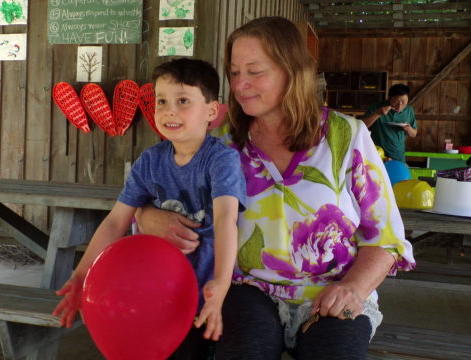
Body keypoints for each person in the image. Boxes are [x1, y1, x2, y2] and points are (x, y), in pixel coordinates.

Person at [136, 16, 416, 360]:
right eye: (235, 72)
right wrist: (147, 216)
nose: (240, 85)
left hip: (331, 291)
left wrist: (353, 289)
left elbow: (386, 238)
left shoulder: (347, 136)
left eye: (255, 71)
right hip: (247, 290)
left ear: (292, 70)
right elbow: (167, 201)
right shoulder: (221, 147)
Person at [52, 58, 247, 359]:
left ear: (211, 110)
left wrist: (220, 285)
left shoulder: (221, 161)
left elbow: (225, 219)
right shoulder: (150, 161)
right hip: (158, 293)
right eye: (162, 101)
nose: (170, 110)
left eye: (183, 101)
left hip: (207, 293)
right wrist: (81, 274)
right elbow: (116, 221)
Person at [361, 84, 417, 163]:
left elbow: (414, 134)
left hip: (398, 155)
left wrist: (408, 128)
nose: (400, 105)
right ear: (389, 98)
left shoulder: (409, 111)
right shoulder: (377, 107)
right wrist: (378, 113)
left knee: (397, 175)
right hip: (377, 153)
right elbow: (362, 126)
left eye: (404, 102)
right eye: (396, 102)